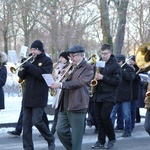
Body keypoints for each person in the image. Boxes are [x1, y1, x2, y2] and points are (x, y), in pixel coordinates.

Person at [50, 45, 94, 150]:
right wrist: (62, 76)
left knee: (76, 136)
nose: (71, 58)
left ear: (81, 55)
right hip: (64, 102)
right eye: (70, 56)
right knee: (60, 130)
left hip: (77, 103)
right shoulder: (70, 66)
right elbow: (68, 79)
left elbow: (79, 82)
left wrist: (61, 85)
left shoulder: (88, 67)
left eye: (73, 56)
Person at [18, 40, 55, 150]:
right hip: (28, 96)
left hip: (39, 96)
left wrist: (29, 66)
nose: (33, 51)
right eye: (32, 49)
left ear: (40, 50)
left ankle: (50, 138)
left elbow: (42, 75)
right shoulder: (30, 60)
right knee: (26, 125)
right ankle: (28, 148)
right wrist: (23, 67)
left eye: (35, 49)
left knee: (37, 121)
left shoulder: (47, 61)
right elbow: (21, 76)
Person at [91, 44, 122, 149]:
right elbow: (94, 76)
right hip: (98, 94)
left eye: (105, 53)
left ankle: (112, 138)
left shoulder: (116, 66)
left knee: (105, 117)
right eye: (102, 53)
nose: (103, 56)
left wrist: (103, 77)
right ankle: (101, 140)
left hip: (109, 95)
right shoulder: (99, 63)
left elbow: (117, 82)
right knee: (98, 118)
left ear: (110, 53)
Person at [110, 54, 135, 138]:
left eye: (119, 62)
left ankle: (128, 131)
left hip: (125, 95)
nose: (118, 63)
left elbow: (130, 78)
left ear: (123, 61)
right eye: (117, 62)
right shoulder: (115, 68)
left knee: (127, 114)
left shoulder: (130, 68)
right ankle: (109, 131)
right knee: (112, 114)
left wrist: (122, 71)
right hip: (116, 95)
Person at [50, 51, 70, 135]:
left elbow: (66, 79)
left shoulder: (68, 67)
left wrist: (58, 76)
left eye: (62, 57)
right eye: (60, 57)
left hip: (63, 94)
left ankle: (51, 133)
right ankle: (52, 132)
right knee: (57, 114)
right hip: (57, 93)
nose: (60, 59)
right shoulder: (57, 67)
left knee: (59, 114)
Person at [128, 55, 141, 131]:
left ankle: (132, 125)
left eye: (131, 60)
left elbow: (137, 78)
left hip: (134, 91)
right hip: (127, 92)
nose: (130, 61)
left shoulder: (138, 69)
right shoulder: (128, 68)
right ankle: (128, 125)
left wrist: (133, 72)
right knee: (128, 110)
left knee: (133, 110)